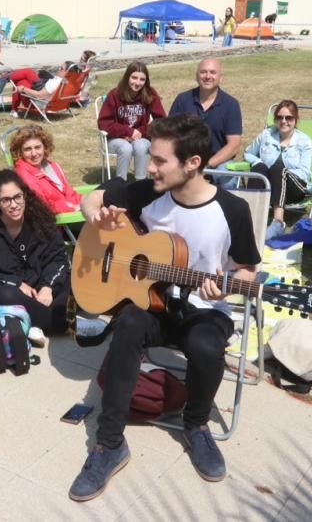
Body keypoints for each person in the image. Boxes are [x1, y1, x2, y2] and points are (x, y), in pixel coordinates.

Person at [69, 114, 260, 501]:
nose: (150, 167)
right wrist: (97, 216)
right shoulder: (148, 192)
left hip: (204, 310)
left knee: (207, 347)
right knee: (126, 327)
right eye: (150, 158)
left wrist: (225, 289)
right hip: (152, 306)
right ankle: (109, 444)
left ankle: (197, 426)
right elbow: (90, 200)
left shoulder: (233, 210)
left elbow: (249, 272)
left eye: (159, 160)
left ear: (192, 163)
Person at [0, 169, 70, 334]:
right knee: (2, 295)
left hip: (43, 290)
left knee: (72, 280)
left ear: (24, 195)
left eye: (17, 197)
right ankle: (56, 323)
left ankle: (35, 323)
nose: (14, 204)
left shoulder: (42, 222)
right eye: (6, 200)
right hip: (12, 294)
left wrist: (48, 286)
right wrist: (13, 282)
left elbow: (59, 259)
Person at [243, 99, 312, 238]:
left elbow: (304, 173)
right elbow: (248, 153)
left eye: (289, 117)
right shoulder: (266, 135)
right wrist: (259, 163)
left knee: (277, 169)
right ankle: (251, 220)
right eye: (280, 117)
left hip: (295, 188)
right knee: (259, 168)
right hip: (271, 186)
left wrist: (279, 175)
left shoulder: (304, 141)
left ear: (296, 119)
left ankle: (278, 222)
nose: (284, 121)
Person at [168, 58, 243, 181]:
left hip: (217, 161)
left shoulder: (231, 104)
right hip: (186, 158)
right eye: (203, 72)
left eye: (213, 72)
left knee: (224, 173)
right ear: (197, 76)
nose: (208, 76)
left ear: (221, 78)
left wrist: (206, 165)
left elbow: (234, 145)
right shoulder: (182, 100)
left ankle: (225, 200)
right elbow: (169, 135)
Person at [97, 61, 166, 180]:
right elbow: (103, 123)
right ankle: (119, 184)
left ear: (146, 81)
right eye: (134, 77)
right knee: (125, 148)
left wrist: (142, 131)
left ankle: (140, 183)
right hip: (116, 139)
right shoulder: (115, 94)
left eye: (142, 79)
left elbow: (161, 120)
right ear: (127, 77)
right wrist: (127, 132)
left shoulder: (150, 94)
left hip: (141, 137)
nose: (137, 83)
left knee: (141, 146)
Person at [10, 124, 81, 215]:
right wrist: (74, 208)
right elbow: (43, 207)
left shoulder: (50, 166)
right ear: (20, 152)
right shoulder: (25, 176)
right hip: (62, 221)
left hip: (73, 207)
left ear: (45, 147)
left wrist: (87, 201)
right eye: (27, 149)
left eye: (37, 147)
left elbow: (68, 192)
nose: (34, 153)